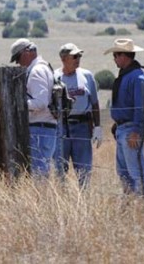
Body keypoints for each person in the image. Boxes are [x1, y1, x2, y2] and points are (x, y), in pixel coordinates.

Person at [104, 38, 144, 198]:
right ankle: (132, 205)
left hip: (131, 129)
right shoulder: (126, 75)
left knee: (136, 172)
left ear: (125, 56)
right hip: (122, 128)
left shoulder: (137, 78)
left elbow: (143, 109)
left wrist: (136, 131)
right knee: (123, 172)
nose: (114, 58)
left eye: (116, 55)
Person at [53, 43, 102, 188]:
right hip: (62, 127)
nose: (78, 59)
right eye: (74, 56)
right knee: (59, 169)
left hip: (82, 127)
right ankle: (61, 200)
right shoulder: (55, 76)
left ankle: (84, 200)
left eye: (79, 56)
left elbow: (94, 103)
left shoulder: (87, 76)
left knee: (84, 169)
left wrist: (97, 126)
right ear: (64, 58)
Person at [10, 38, 56, 178]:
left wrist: (19, 104)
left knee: (39, 172)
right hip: (45, 128)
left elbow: (41, 102)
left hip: (39, 128)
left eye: (18, 58)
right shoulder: (44, 67)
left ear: (27, 52)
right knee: (41, 170)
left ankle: (41, 199)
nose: (18, 62)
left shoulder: (36, 71)